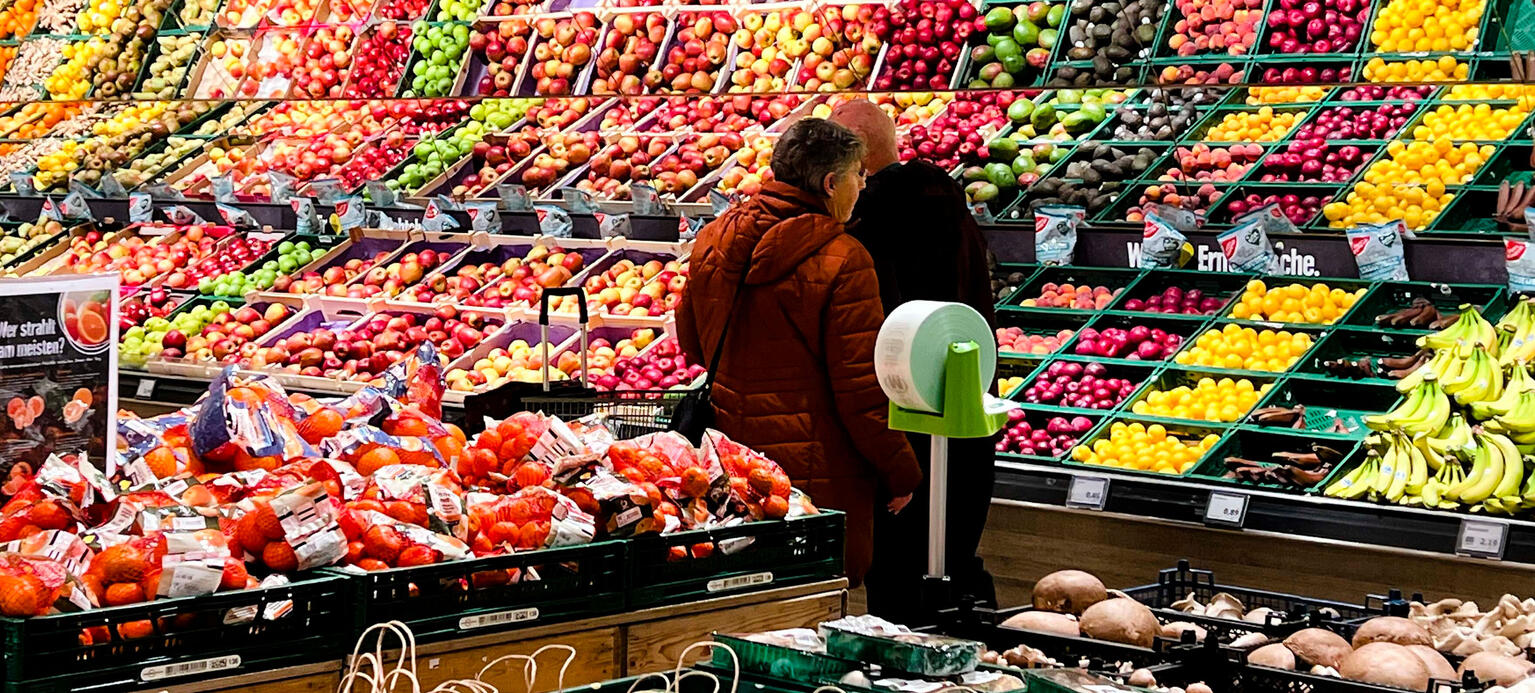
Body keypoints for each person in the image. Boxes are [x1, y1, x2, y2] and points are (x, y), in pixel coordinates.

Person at [676, 117, 923, 587]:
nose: (863, 186)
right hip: (817, 474)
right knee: (812, 595)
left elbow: (691, 340)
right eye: (858, 175)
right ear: (830, 184)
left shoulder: (714, 239)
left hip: (730, 460)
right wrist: (901, 471)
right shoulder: (845, 260)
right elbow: (861, 391)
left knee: (738, 592)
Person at [831, 100, 1000, 621]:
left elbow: (865, 336)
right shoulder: (950, 204)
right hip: (966, 402)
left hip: (901, 414)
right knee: (952, 554)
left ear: (855, 159)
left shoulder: (866, 227)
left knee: (899, 573)